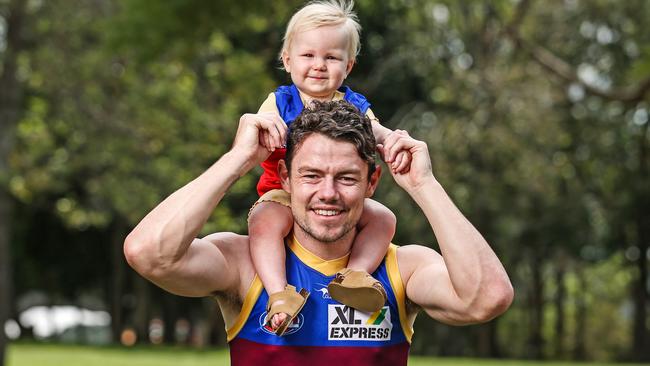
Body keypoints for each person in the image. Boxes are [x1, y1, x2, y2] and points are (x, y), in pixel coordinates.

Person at [124, 100, 514, 365]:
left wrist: (423, 185)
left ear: (372, 181)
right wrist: (236, 160)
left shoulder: (401, 268)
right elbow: (148, 253)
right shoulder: (246, 263)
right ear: (286, 178)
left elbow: (487, 298)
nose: (328, 193)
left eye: (346, 178)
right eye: (311, 175)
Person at [247, 0, 409, 334]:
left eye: (331, 57)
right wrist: (266, 128)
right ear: (287, 60)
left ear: (348, 66)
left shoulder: (354, 104)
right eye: (308, 56)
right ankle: (279, 294)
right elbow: (263, 124)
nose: (319, 66)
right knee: (264, 221)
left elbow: (375, 132)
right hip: (282, 193)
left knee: (383, 218)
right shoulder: (280, 101)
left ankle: (356, 276)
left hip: (335, 201)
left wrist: (394, 139)